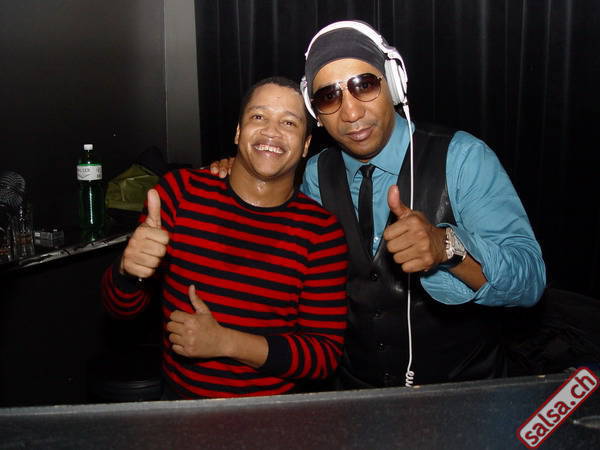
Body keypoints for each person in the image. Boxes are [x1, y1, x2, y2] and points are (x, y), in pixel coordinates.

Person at [212, 21, 546, 389]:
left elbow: (530, 284)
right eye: (329, 97)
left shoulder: (463, 158)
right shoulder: (315, 175)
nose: (351, 113)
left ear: (394, 84)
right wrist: (240, 173)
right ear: (315, 112)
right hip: (354, 392)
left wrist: (447, 249)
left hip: (464, 391)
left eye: (364, 85)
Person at [101, 76, 349, 399]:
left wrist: (226, 342)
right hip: (180, 408)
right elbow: (119, 311)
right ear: (238, 132)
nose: (271, 131)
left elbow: (323, 356)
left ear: (305, 145)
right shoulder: (179, 193)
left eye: (289, 122)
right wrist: (127, 271)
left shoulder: (321, 232)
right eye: (258, 116)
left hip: (273, 415)